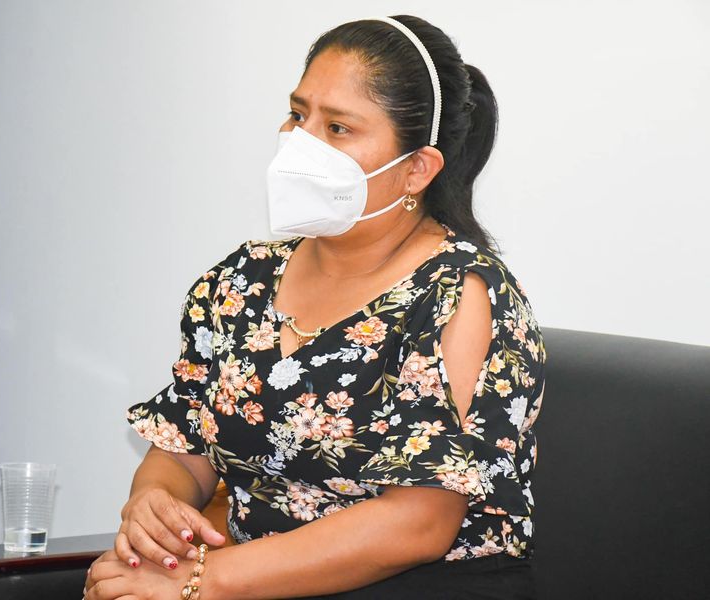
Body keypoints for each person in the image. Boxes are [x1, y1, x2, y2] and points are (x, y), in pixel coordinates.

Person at [84, 14, 546, 600]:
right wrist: (155, 504)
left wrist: (203, 582)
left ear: (416, 169)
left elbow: (419, 524)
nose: (301, 142)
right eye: (298, 115)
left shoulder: (459, 293)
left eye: (338, 128)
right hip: (251, 584)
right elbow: (185, 450)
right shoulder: (242, 278)